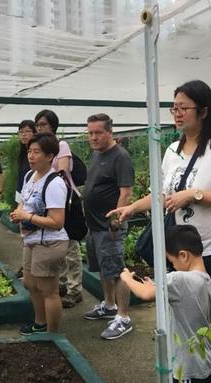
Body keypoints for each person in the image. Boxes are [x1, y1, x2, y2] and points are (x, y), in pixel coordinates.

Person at [108, 80, 211, 383]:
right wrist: (131, 209)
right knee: (184, 320)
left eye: (183, 107)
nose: (177, 113)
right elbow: (160, 194)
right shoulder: (171, 152)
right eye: (174, 107)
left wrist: (194, 195)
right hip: (178, 254)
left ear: (204, 110)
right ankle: (192, 379)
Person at [120, 225, 211, 383]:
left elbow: (145, 294)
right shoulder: (205, 280)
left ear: (183, 255)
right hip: (206, 364)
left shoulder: (179, 280)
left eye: (171, 261)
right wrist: (157, 286)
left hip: (187, 369)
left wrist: (127, 278)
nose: (171, 266)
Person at [81, 114, 136, 340]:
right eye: (90, 133)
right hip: (94, 226)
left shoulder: (120, 157)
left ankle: (123, 318)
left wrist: (116, 221)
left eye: (98, 133)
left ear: (109, 132)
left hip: (109, 227)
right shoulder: (97, 154)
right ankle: (109, 305)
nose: (93, 137)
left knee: (117, 271)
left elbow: (126, 192)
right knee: (105, 269)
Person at [9, 133, 69, 334]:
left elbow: (57, 222)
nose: (31, 156)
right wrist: (18, 213)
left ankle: (52, 334)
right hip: (31, 239)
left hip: (50, 242)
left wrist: (27, 216)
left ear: (50, 156)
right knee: (30, 283)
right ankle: (40, 322)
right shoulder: (29, 176)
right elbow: (24, 202)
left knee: (48, 290)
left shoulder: (54, 183)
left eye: (36, 152)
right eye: (29, 151)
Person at [34, 109, 84, 308]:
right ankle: (62, 283)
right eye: (37, 125)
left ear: (53, 126)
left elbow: (61, 172)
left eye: (43, 125)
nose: (40, 128)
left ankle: (75, 290)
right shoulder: (39, 147)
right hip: (50, 203)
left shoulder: (61, 145)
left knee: (71, 248)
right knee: (57, 246)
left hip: (66, 204)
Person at [15, 120, 37, 203]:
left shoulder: (39, 154)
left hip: (33, 196)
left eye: (27, 131)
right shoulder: (22, 154)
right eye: (21, 132)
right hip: (22, 193)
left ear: (35, 133)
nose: (23, 134)